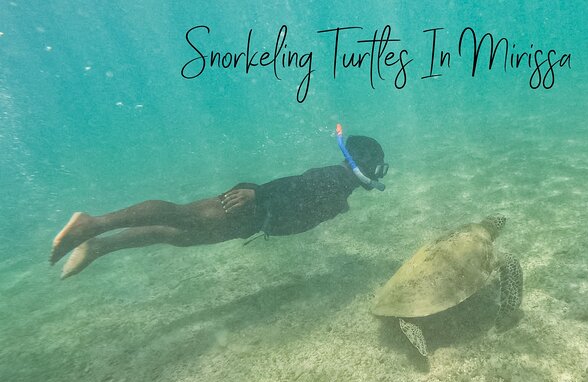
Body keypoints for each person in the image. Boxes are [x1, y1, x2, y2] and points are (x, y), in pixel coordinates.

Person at [50, 131, 388, 279]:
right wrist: (258, 194)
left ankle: (99, 246)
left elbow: (305, 206)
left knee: (178, 235)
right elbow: (294, 186)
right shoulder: (334, 177)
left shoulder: (341, 189)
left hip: (256, 220)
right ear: (365, 163)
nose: (379, 174)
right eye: (378, 167)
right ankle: (93, 224)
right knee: (182, 216)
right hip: (250, 205)